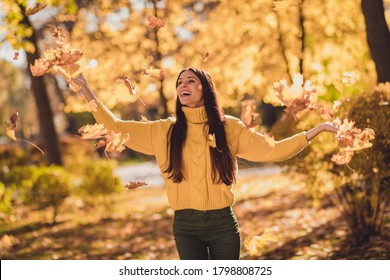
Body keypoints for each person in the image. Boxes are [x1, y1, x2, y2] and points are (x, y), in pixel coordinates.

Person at [72, 67, 338, 260]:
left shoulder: (228, 128)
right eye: (179, 82)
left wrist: (317, 130)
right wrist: (87, 90)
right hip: (186, 226)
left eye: (191, 80)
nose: (183, 85)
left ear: (205, 89)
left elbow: (274, 151)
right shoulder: (164, 130)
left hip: (223, 225)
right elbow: (116, 127)